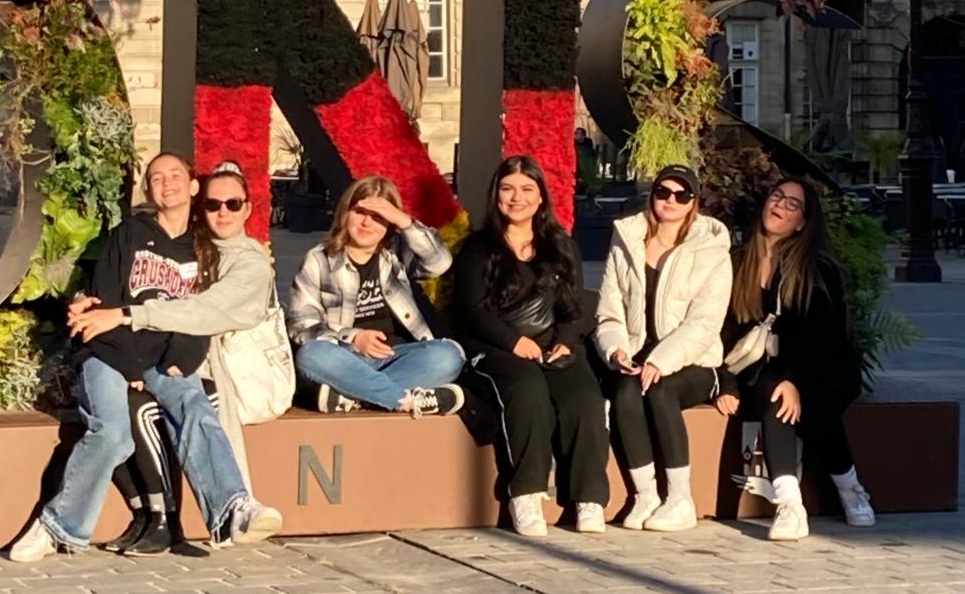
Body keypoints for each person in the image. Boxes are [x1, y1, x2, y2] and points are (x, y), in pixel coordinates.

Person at [9, 153, 281, 563]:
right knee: (112, 432)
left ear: (193, 187)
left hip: (168, 358)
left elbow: (202, 314)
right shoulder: (129, 234)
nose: (167, 183)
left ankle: (233, 508)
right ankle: (57, 526)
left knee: (194, 407)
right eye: (156, 177)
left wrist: (181, 356)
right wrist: (130, 367)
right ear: (149, 190)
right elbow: (102, 307)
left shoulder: (206, 248)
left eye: (176, 176)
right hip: (110, 352)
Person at [452, 155, 609, 537]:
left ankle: (587, 498)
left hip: (551, 344)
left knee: (585, 398)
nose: (516, 198)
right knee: (528, 390)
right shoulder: (478, 247)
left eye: (526, 189)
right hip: (495, 346)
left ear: (541, 198)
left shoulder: (562, 246)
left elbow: (573, 308)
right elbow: (470, 311)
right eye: (507, 189)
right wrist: (512, 340)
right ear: (496, 195)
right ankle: (526, 493)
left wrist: (565, 342)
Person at [721, 178, 875, 541]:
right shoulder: (738, 260)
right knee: (776, 399)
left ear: (803, 222)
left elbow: (823, 335)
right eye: (777, 196)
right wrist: (725, 381)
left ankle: (849, 486)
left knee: (814, 409)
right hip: (758, 366)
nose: (780, 206)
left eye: (793, 204)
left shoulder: (817, 268)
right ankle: (789, 505)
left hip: (821, 367)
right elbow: (722, 328)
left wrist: (795, 379)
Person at [594, 165, 732, 532]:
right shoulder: (627, 239)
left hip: (694, 361)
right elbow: (610, 311)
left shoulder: (712, 249)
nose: (670, 200)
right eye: (662, 191)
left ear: (693, 203)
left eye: (681, 194)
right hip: (636, 354)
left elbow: (705, 324)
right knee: (624, 391)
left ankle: (679, 499)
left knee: (659, 390)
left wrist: (660, 361)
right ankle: (645, 495)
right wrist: (615, 351)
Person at [288, 175, 465, 418]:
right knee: (311, 356)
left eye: (379, 217)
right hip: (346, 359)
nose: (367, 224)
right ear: (345, 213)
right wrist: (354, 337)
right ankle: (403, 399)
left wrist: (404, 221)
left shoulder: (395, 254)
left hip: (397, 357)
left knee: (449, 355)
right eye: (360, 212)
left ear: (389, 224)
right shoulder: (319, 259)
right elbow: (301, 325)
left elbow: (440, 262)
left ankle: (355, 396)